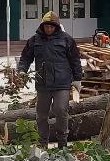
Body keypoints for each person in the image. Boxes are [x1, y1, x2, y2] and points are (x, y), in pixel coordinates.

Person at [17, 11, 82, 149]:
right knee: (41, 114)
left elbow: (75, 60)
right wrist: (22, 70)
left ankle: (62, 143)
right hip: (43, 84)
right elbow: (25, 58)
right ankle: (43, 143)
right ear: (42, 26)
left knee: (60, 110)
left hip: (62, 83)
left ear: (57, 27)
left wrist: (77, 79)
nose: (49, 29)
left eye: (52, 27)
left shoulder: (66, 40)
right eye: (46, 26)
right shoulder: (34, 40)